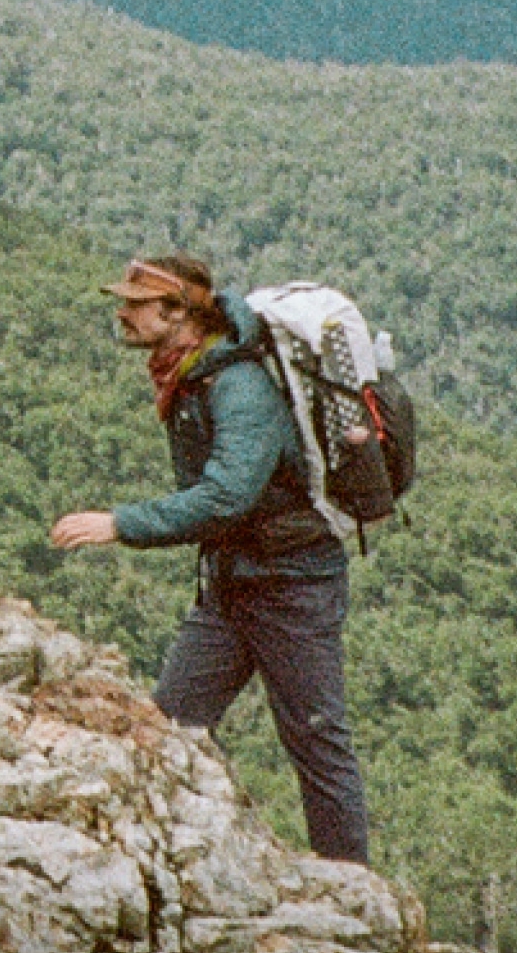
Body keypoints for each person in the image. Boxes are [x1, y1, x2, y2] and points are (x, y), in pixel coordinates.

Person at [51, 253, 369, 864]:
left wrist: (120, 524)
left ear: (178, 314)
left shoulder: (239, 386)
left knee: (318, 743)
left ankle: (352, 888)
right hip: (233, 581)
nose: (121, 313)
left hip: (292, 585)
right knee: (173, 725)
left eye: (134, 304)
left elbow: (228, 496)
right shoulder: (193, 374)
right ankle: (185, 859)